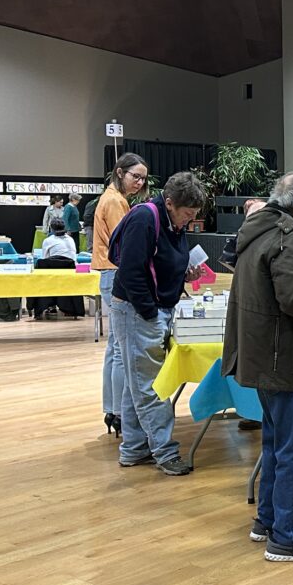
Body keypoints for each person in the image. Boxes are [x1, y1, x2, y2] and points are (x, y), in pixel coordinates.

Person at [223, 171, 293, 563]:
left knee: (276, 445)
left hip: (261, 354)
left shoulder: (260, 229)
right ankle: (287, 538)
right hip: (284, 357)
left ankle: (268, 521)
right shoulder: (290, 237)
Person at [110, 171, 206, 476]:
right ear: (169, 203)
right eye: (187, 214)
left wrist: (183, 275)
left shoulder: (173, 223)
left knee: (136, 383)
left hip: (156, 308)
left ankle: (134, 449)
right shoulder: (144, 219)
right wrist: (150, 313)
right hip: (137, 311)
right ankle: (165, 452)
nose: (189, 221)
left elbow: (165, 262)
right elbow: (130, 271)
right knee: (151, 386)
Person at [93, 153, 149, 438]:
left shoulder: (114, 197)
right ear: (119, 172)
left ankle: (113, 409)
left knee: (114, 345)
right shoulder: (115, 201)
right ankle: (117, 411)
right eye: (134, 176)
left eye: (142, 178)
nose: (139, 182)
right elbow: (125, 243)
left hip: (109, 271)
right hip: (115, 272)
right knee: (118, 348)